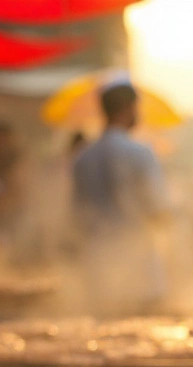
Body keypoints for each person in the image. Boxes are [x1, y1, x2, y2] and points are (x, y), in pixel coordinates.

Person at [71, 83, 169, 312]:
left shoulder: (82, 159)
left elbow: (77, 218)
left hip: (98, 275)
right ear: (127, 108)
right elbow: (159, 210)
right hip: (140, 275)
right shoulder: (141, 153)